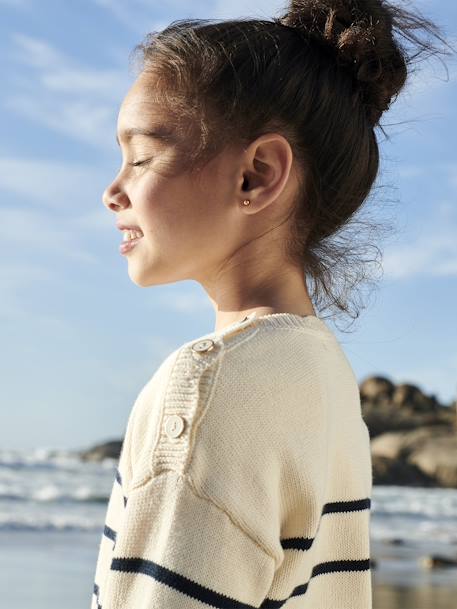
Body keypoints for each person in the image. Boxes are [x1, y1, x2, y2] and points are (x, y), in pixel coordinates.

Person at [93, 1, 451, 607]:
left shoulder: (207, 387)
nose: (112, 192)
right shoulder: (324, 376)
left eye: (143, 157)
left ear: (256, 175)